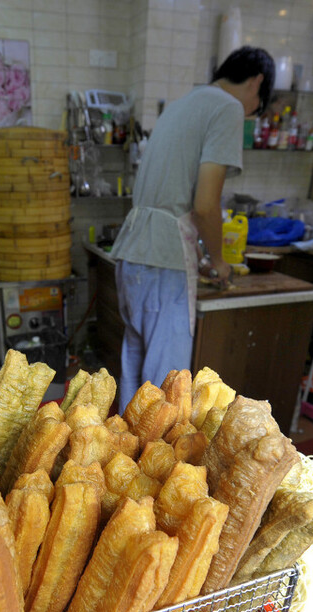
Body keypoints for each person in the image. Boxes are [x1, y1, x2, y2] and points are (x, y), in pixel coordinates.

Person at [109, 47, 274, 412]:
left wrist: (196, 255)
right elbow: (204, 204)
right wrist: (218, 260)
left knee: (136, 379)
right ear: (257, 81)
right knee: (165, 394)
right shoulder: (227, 107)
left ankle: (124, 465)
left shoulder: (182, 104)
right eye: (256, 108)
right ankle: (147, 468)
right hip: (162, 263)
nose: (249, 115)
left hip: (134, 254)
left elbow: (173, 201)